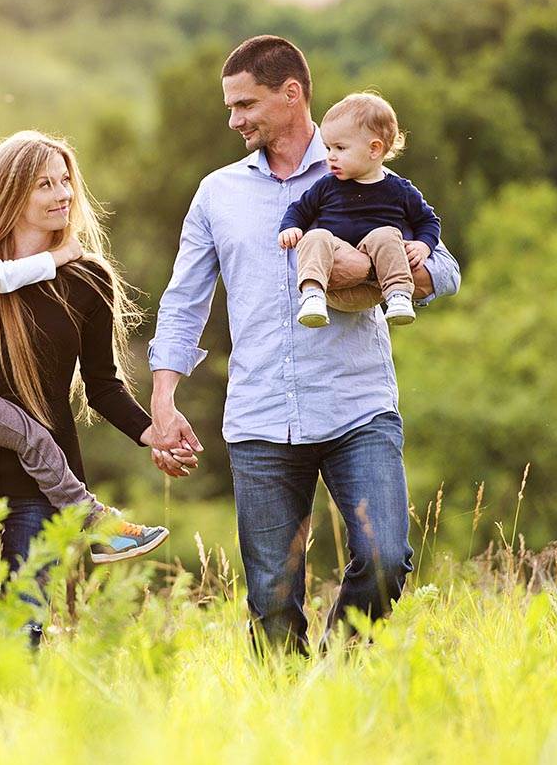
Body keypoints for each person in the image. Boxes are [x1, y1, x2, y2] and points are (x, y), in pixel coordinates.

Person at [148, 36, 461, 654]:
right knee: (271, 595)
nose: (234, 119)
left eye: (245, 104)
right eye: (230, 108)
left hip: (357, 406)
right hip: (260, 415)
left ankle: (336, 675)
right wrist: (164, 399)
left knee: (384, 557)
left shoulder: (372, 175)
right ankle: (288, 721)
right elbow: (184, 300)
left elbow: (445, 270)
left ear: (292, 95)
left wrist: (375, 274)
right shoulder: (218, 193)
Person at [0, 133, 193, 593]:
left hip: (43, 483)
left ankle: (96, 527)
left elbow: (102, 384)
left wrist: (154, 432)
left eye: (65, 181)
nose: (63, 194)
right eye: (45, 184)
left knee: (25, 629)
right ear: (12, 193)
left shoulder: (87, 278)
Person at [278, 91, 441, 329]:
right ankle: (312, 295)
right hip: (334, 284)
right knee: (316, 236)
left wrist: (423, 245)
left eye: (340, 148)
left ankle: (399, 296)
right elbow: (299, 210)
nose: (330, 157)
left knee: (386, 234)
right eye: (327, 148)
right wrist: (290, 227)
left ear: (374, 149)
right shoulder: (327, 185)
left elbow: (428, 221)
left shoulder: (399, 190)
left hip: (378, 289)